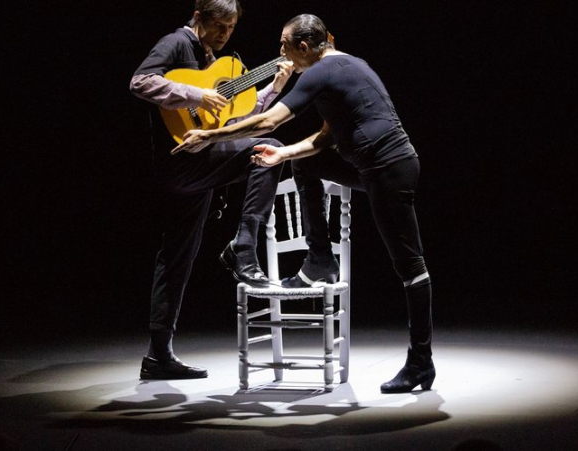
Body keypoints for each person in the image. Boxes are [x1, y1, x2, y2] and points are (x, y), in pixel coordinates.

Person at [173, 14, 435, 393]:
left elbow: (268, 123)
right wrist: (284, 156)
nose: (280, 53)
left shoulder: (318, 73)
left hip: (389, 169)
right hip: (377, 166)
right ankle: (320, 259)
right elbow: (327, 137)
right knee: (306, 162)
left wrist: (212, 136)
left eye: (284, 45)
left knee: (411, 267)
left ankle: (421, 363)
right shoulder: (350, 65)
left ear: (306, 48)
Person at [130, 0, 294, 380]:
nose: (224, 35)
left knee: (177, 256)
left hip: (201, 161)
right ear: (199, 17)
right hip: (181, 159)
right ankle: (243, 246)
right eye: (219, 25)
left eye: (231, 28)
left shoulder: (217, 64)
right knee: (266, 150)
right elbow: (139, 82)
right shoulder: (176, 43)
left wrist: (273, 88)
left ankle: (158, 355)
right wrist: (196, 95)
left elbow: (238, 121)